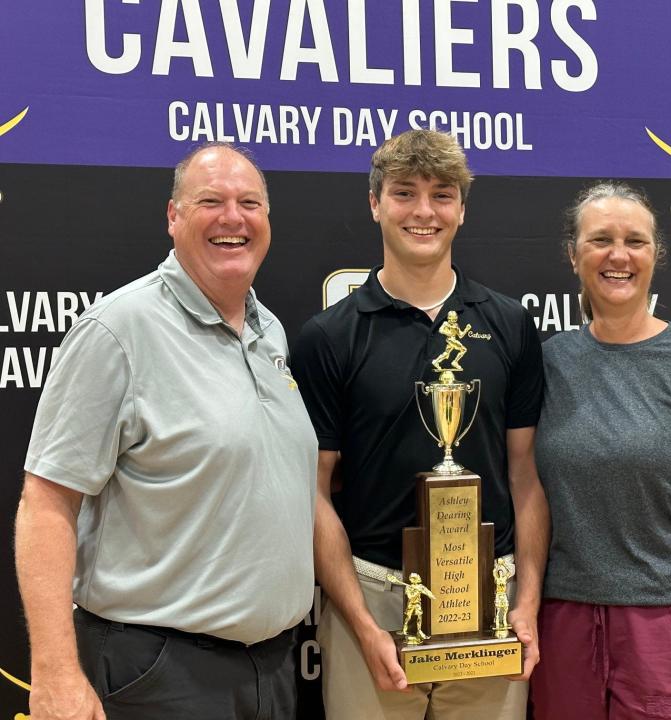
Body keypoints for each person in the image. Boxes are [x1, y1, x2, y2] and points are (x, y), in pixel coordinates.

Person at [14, 143, 318, 720]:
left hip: (272, 671)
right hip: (160, 675)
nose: (234, 217)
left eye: (250, 203)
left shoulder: (267, 330)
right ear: (173, 217)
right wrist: (54, 672)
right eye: (211, 201)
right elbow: (47, 501)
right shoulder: (118, 330)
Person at [291, 129, 548, 720]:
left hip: (489, 601)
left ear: (462, 208)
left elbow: (525, 476)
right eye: (405, 193)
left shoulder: (508, 324)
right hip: (376, 602)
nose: (424, 212)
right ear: (376, 203)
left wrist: (526, 600)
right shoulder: (329, 336)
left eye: (443, 194)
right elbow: (313, 492)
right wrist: (358, 621)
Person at [530, 182, 671, 720]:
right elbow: (530, 495)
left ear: (655, 255)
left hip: (670, 625)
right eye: (601, 240)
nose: (619, 255)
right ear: (573, 254)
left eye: (635, 241)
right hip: (564, 623)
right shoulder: (548, 364)